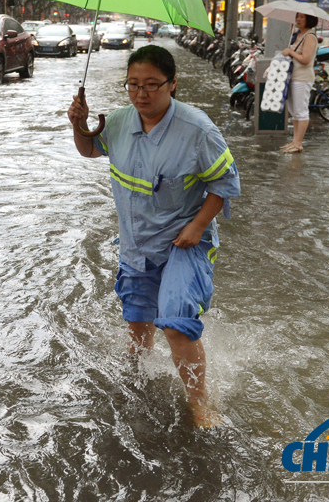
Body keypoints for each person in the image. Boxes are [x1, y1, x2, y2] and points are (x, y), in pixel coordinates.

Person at [67, 45, 240, 428]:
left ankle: (199, 404)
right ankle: (137, 385)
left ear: (172, 83)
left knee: (175, 322)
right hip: (137, 243)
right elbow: (89, 150)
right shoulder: (117, 122)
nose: (141, 93)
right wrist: (78, 124)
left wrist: (197, 226)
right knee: (139, 324)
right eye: (133, 84)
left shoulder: (197, 130)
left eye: (151, 85)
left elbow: (225, 184)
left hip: (184, 242)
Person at [280, 12, 319, 153]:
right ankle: (294, 141)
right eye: (297, 16)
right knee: (295, 111)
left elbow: (306, 59)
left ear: (310, 19)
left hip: (302, 78)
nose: (298, 19)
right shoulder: (300, 35)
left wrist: (291, 52)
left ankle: (298, 144)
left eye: (302, 17)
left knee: (301, 111)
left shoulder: (310, 36)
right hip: (294, 77)